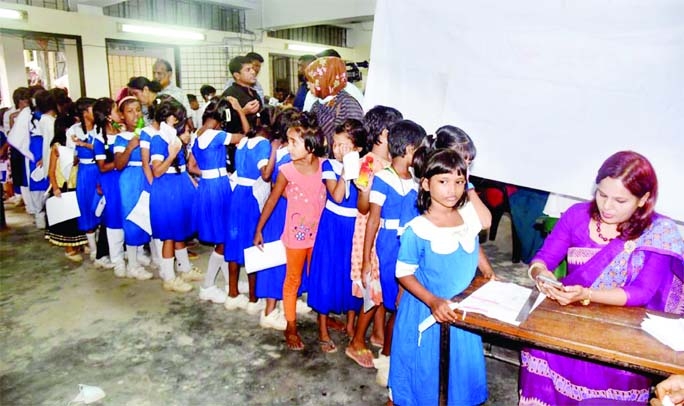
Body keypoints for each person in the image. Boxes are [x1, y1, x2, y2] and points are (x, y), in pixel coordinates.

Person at [523, 151, 684, 405]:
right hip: (567, 320)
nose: (607, 206)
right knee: (542, 347)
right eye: (602, 194)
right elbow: (543, 259)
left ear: (643, 199)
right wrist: (541, 275)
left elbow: (642, 291)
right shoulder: (577, 215)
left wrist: (586, 294)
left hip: (620, 336)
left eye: (620, 200)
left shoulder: (657, 233)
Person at [388, 148, 489, 406]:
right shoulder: (419, 229)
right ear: (425, 184)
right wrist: (433, 301)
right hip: (429, 310)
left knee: (459, 375)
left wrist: (487, 271)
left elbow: (475, 240)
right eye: (443, 182)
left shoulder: (466, 215)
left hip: (462, 312)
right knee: (427, 378)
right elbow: (403, 273)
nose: (452, 190)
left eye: (458, 181)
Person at [355, 120, 426, 375]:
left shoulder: (418, 181)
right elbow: (373, 219)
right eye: (419, 149)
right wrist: (366, 260)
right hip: (389, 246)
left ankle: (392, 351)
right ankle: (386, 356)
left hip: (411, 246)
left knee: (404, 300)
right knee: (396, 300)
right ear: (408, 150)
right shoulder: (383, 179)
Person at [253, 112, 327, 351]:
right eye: (288, 141)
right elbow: (273, 199)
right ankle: (290, 325)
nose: (289, 146)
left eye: (294, 142)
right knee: (292, 279)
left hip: (319, 234)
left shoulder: (325, 166)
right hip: (295, 236)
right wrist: (259, 228)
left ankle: (323, 318)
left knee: (316, 276)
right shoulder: (287, 170)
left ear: (311, 144)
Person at [347, 106, 403, 367]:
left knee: (380, 286)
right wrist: (367, 190)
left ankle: (378, 333)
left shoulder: (391, 164)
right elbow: (362, 207)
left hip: (385, 233)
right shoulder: (368, 164)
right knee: (373, 288)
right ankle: (357, 341)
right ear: (383, 132)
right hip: (369, 233)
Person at [307, 119, 368, 354]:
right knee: (326, 273)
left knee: (350, 272)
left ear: (358, 148)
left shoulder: (366, 166)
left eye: (344, 145)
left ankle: (351, 324)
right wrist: (346, 171)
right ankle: (322, 328)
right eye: (335, 144)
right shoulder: (329, 166)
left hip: (355, 226)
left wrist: (358, 170)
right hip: (332, 225)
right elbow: (338, 196)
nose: (337, 149)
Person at [186, 97, 245, 304]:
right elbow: (244, 135)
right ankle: (208, 285)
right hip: (219, 187)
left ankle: (230, 282)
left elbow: (191, 166)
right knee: (223, 239)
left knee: (221, 236)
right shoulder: (217, 135)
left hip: (207, 187)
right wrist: (240, 109)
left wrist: (209, 173)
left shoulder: (196, 135)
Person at [149, 97, 201, 293]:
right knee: (169, 235)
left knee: (179, 230)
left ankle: (185, 268)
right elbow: (157, 171)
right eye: (179, 119)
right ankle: (169, 277)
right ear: (169, 119)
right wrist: (172, 153)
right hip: (166, 188)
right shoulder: (159, 140)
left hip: (179, 185)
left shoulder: (173, 138)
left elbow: (182, 165)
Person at [112, 96, 153, 280]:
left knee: (148, 216)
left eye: (138, 110)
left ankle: (144, 255)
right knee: (132, 218)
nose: (135, 115)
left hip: (147, 177)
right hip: (130, 179)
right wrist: (129, 147)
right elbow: (119, 164)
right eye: (130, 111)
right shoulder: (121, 138)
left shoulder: (148, 133)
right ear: (121, 116)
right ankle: (133, 265)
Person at [45, 96, 88, 260]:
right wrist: (55, 187)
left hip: (74, 185)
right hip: (63, 187)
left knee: (76, 216)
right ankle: (70, 248)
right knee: (66, 219)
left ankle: (79, 244)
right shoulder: (56, 148)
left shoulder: (74, 147)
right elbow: (51, 170)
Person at [93, 97, 126, 277]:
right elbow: (102, 166)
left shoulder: (124, 135)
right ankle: (116, 259)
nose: (120, 114)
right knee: (113, 219)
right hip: (111, 182)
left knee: (127, 214)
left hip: (125, 180)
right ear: (107, 116)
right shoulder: (99, 140)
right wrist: (120, 161)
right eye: (116, 110)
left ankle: (132, 252)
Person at [304, 57, 364, 148]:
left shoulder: (348, 105)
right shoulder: (317, 105)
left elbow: (356, 142)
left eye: (311, 81)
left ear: (325, 80)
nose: (308, 86)